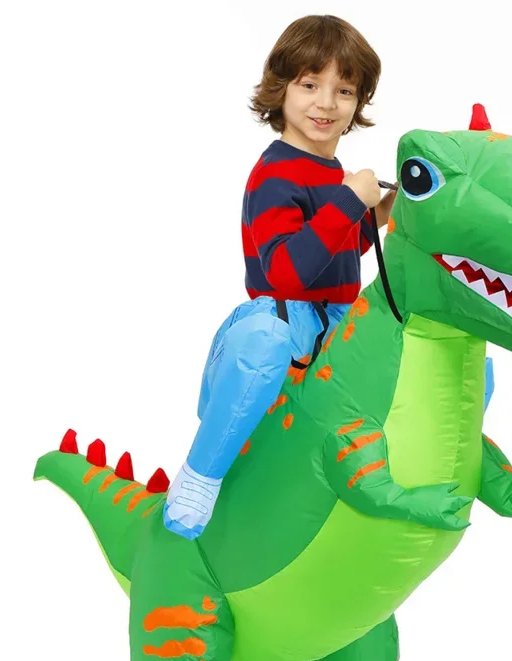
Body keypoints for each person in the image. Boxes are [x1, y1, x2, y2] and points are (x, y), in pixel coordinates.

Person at [163, 15, 395, 539]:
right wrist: (348, 202)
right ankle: (200, 476)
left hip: (337, 319)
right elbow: (289, 273)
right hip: (285, 320)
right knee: (262, 341)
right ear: (281, 89)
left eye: (344, 91)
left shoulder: (335, 175)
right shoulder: (274, 174)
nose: (326, 103)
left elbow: (337, 254)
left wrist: (376, 216)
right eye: (310, 85)